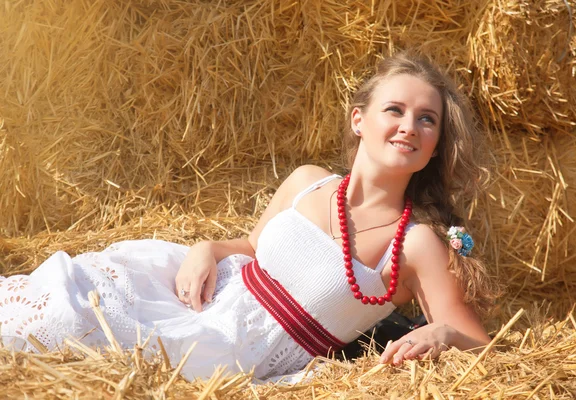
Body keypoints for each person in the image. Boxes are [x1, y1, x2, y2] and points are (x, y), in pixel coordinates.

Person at [0, 51, 499, 381]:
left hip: (239, 347)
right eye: (395, 110)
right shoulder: (309, 181)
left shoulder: (416, 245)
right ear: (359, 119)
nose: (409, 126)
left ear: (434, 147)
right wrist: (205, 249)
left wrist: (443, 332)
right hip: (199, 291)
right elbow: (251, 249)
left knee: (95, 349)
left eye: (426, 119)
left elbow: (481, 345)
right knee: (64, 293)